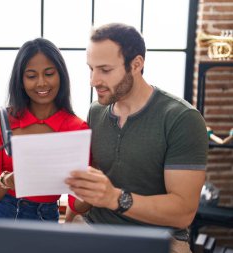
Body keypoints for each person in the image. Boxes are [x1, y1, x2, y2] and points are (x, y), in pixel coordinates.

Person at [64, 23, 208, 253]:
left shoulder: (182, 119)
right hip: (93, 229)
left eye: (105, 70)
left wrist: (114, 198)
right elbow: (87, 184)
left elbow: (183, 212)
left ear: (136, 64)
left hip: (158, 240)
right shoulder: (96, 111)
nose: (93, 80)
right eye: (91, 69)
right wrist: (65, 224)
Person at [0, 38, 89, 222]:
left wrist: (90, 189)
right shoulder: (0, 121)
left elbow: (77, 204)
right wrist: (5, 182)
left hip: (44, 216)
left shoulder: (77, 128)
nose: (41, 83)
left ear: (61, 75)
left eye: (49, 73)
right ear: (21, 80)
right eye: (31, 76)